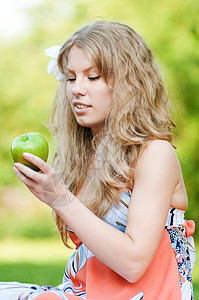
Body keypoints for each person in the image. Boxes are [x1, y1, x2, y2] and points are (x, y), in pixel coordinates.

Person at [0, 20, 196, 300]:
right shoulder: (84, 156)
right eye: (71, 77)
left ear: (130, 82)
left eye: (93, 78)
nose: (77, 89)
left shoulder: (155, 154)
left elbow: (133, 263)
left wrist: (61, 199)